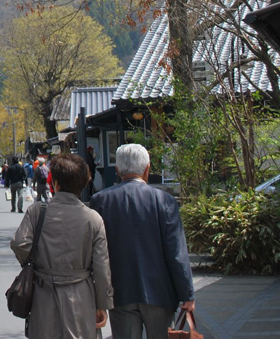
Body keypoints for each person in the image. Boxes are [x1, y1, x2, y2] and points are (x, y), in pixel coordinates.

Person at [90, 144, 195, 339]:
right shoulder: (164, 201)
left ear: (118, 170)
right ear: (147, 169)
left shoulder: (101, 200)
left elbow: (97, 252)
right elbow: (176, 252)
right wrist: (186, 293)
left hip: (120, 291)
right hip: (160, 292)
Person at [11, 153, 113, 339]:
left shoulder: (37, 212)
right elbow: (101, 267)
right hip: (81, 294)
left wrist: (34, 262)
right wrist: (102, 304)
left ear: (55, 183)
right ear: (83, 184)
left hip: (44, 291)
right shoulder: (93, 219)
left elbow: (20, 243)